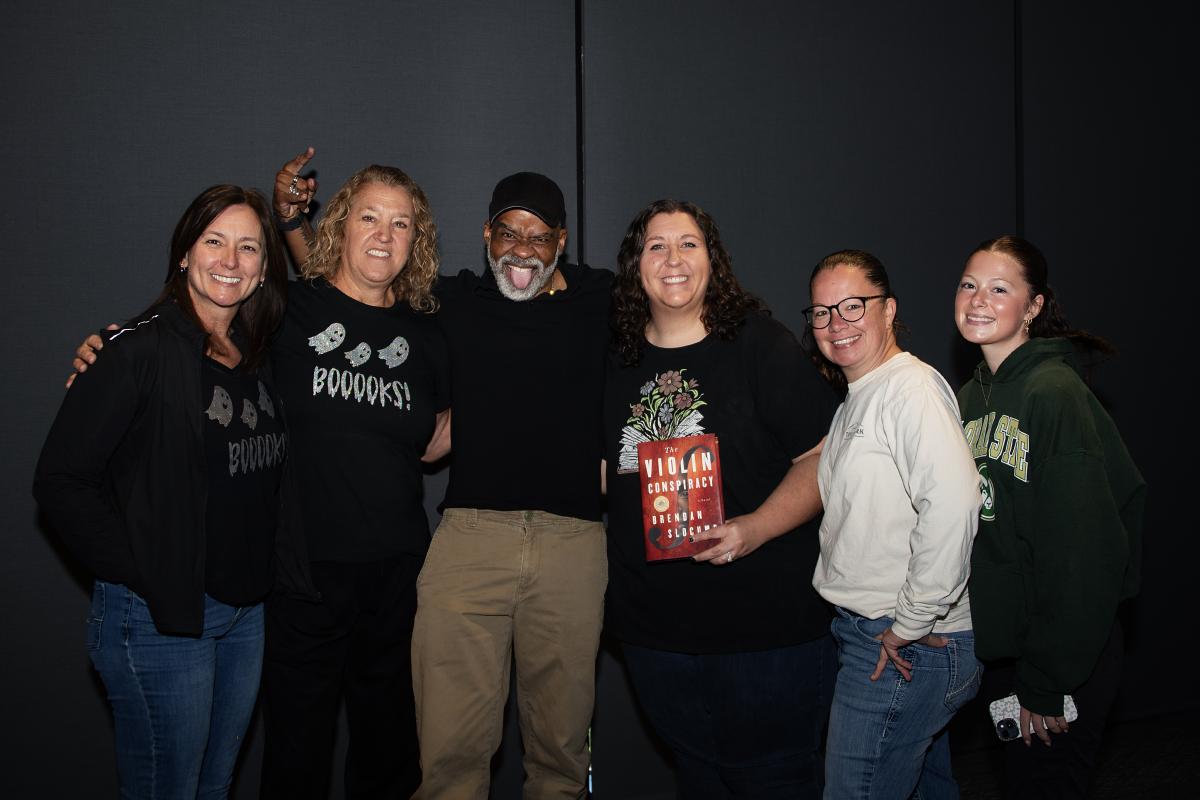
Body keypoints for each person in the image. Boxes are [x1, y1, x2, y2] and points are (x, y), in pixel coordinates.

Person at [70, 156, 451, 800]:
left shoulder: (429, 333)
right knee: (296, 754)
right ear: (342, 224)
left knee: (388, 752)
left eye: (401, 223)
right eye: (369, 218)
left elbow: (435, 442)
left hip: (396, 575)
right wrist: (108, 350)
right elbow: (194, 324)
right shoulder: (287, 310)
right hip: (302, 579)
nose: (384, 235)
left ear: (418, 241)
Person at [271, 155, 612, 799]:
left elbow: (679, 307)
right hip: (437, 544)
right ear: (486, 235)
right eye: (509, 232)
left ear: (561, 244)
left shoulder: (596, 298)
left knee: (552, 756)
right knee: (439, 757)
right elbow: (342, 285)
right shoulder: (448, 302)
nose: (523, 249)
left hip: (545, 545)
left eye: (540, 236)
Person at [35, 184, 289, 799]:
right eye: (214, 241)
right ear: (184, 253)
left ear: (262, 270)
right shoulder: (136, 349)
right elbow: (60, 481)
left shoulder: (256, 354)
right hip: (162, 618)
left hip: (244, 615)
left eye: (248, 247)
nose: (230, 260)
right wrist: (147, 569)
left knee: (213, 786)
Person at [604, 198, 835, 797]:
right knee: (700, 779)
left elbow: (823, 458)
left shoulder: (759, 343)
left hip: (765, 632)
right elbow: (608, 473)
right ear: (635, 265)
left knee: (776, 781)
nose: (672, 258)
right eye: (656, 245)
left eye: (688, 243)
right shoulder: (616, 361)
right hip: (657, 636)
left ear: (714, 260)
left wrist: (754, 527)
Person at [954, 235, 1144, 799]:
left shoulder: (1054, 391)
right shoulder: (969, 398)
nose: (977, 300)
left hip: (1062, 652)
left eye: (999, 288)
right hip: (1009, 650)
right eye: (968, 285)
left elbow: (1082, 551)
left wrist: (1047, 679)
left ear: (1033, 306)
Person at [805, 249, 982, 799]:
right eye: (821, 312)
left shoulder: (911, 390)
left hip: (902, 645)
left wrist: (909, 622)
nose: (837, 324)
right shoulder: (860, 396)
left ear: (889, 311)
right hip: (879, 634)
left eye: (853, 306)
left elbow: (954, 506)